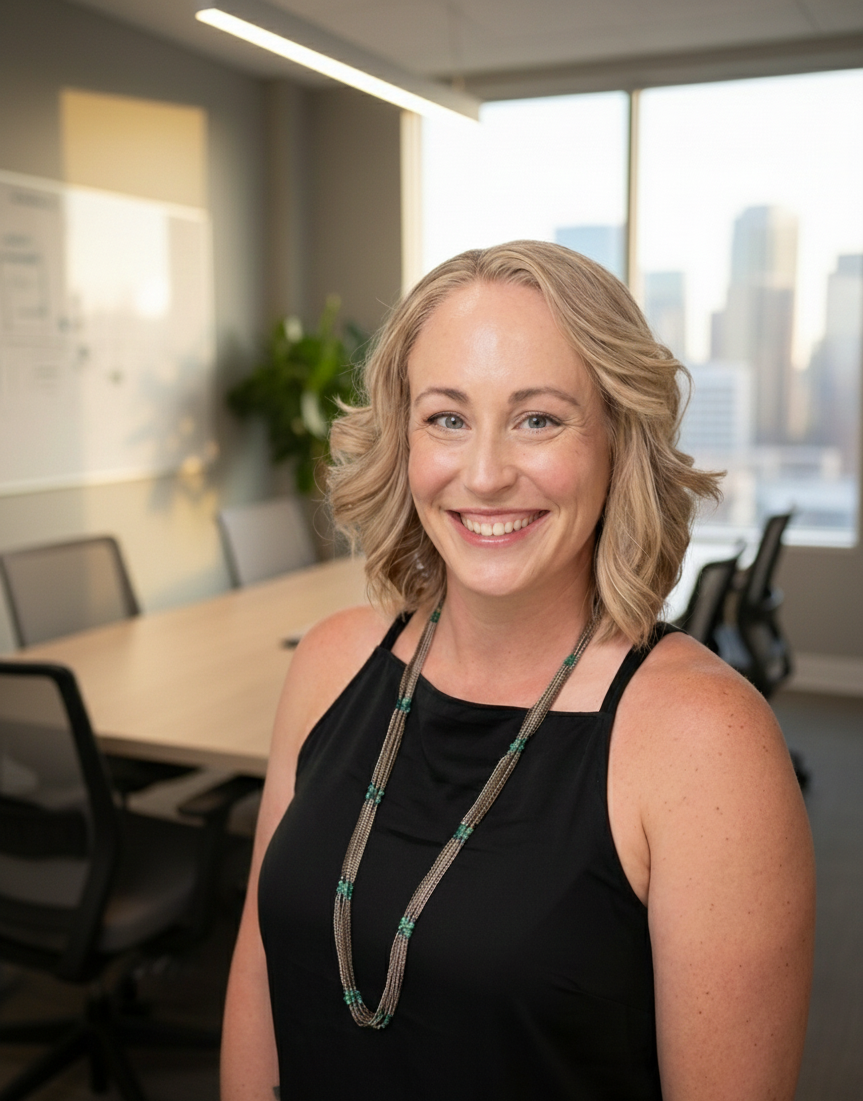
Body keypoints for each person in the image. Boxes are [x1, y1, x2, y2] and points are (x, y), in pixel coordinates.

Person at [221, 241, 815, 1101]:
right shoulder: (329, 663)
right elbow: (257, 977)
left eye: (538, 418)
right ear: (403, 436)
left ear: (617, 435)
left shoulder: (703, 743)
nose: (486, 473)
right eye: (447, 418)